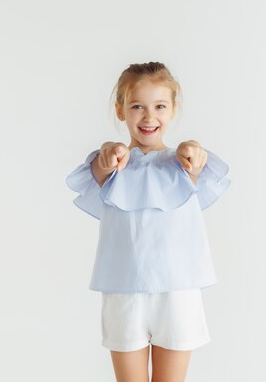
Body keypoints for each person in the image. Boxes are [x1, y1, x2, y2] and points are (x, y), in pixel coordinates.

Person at [65, 62, 231, 382]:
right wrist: (108, 152)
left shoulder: (182, 163)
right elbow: (100, 165)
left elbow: (197, 161)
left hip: (178, 291)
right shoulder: (114, 163)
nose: (148, 116)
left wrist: (192, 149)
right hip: (124, 291)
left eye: (159, 106)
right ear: (120, 110)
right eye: (137, 106)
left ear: (172, 110)